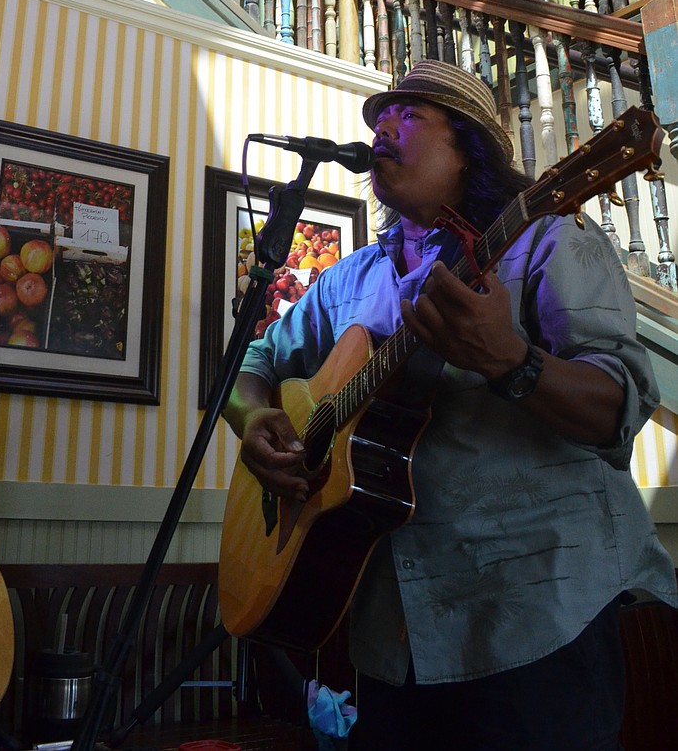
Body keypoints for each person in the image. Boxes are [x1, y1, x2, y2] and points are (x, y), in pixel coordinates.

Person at [224, 59, 678, 751]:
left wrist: (511, 360)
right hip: (391, 637)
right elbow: (245, 367)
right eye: (379, 116)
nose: (383, 126)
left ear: (468, 144)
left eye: (408, 114)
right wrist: (256, 418)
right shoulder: (348, 282)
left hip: (535, 620)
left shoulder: (550, 239)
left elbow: (619, 407)